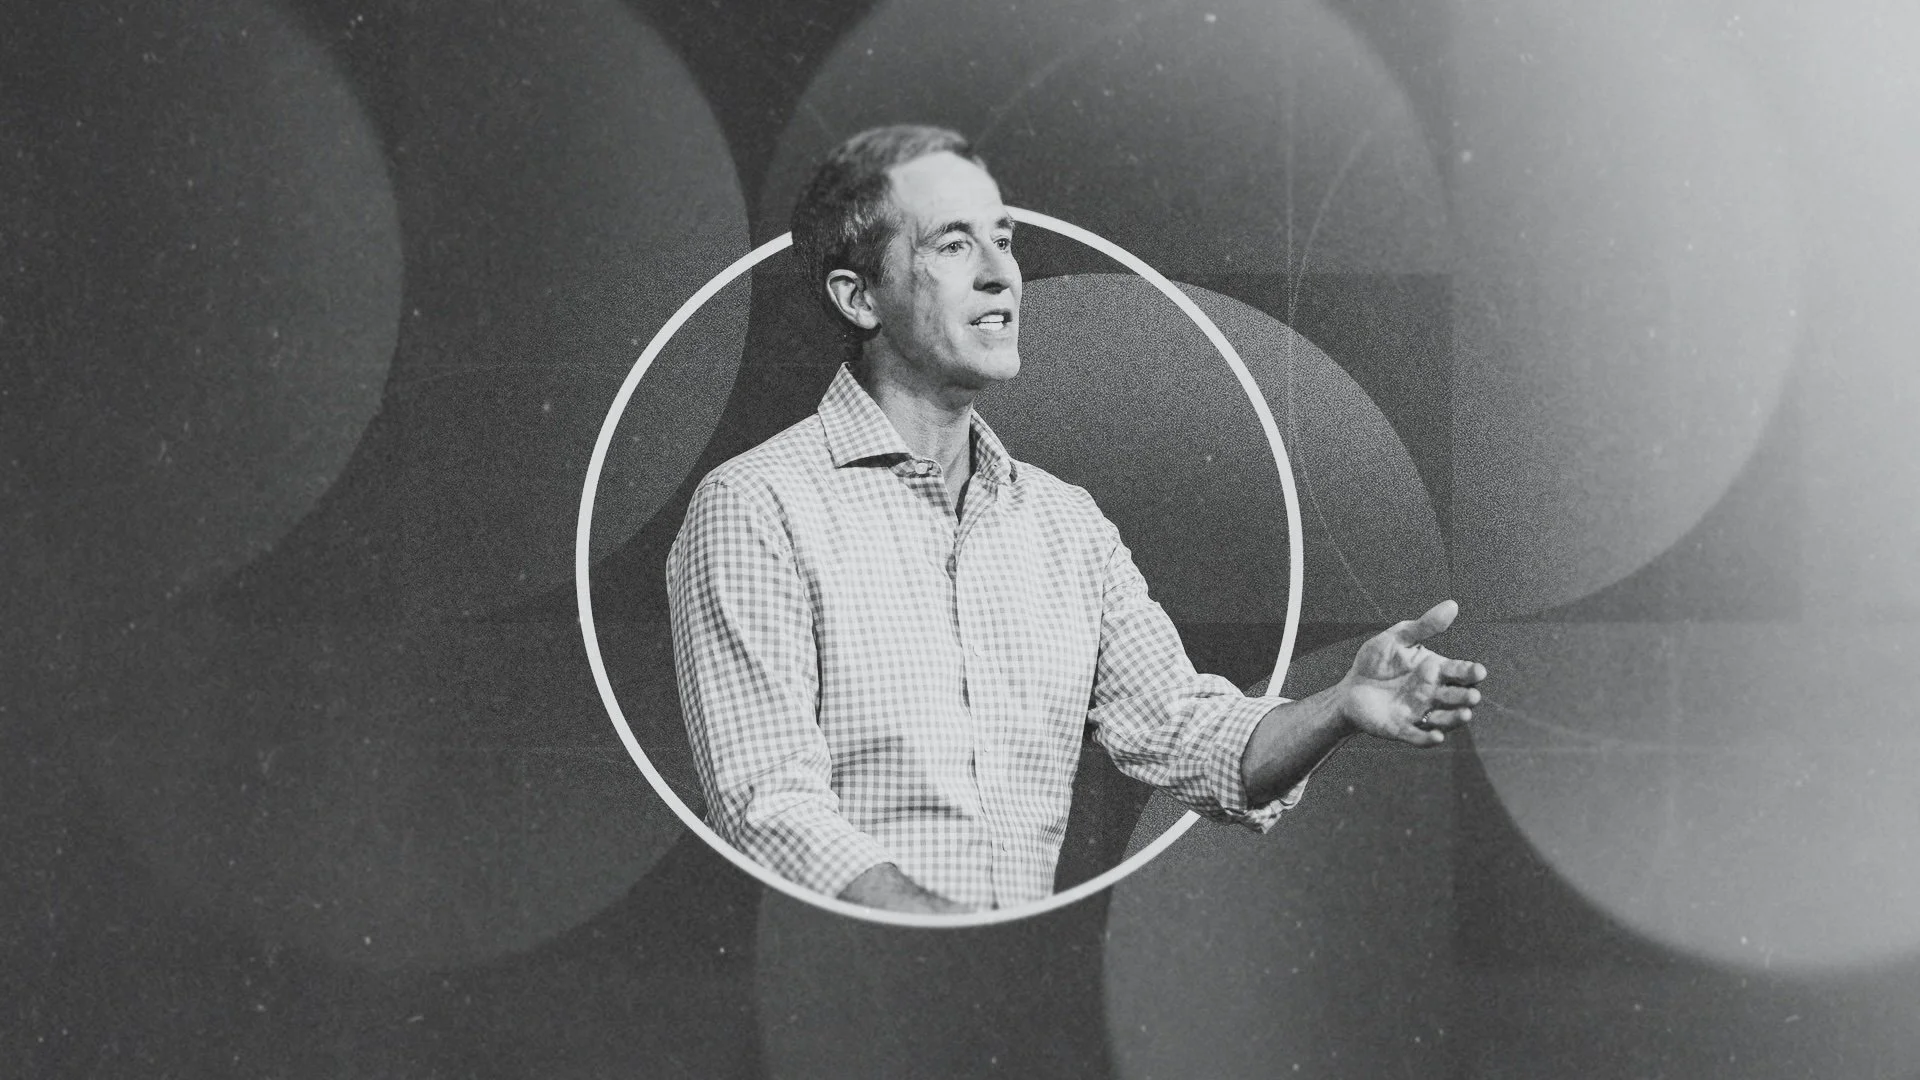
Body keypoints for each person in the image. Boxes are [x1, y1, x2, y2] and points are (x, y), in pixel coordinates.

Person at [666, 124, 1486, 914]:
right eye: (952, 245)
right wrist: (957, 948)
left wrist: (1337, 707)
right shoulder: (755, 506)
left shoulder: (1066, 526)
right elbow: (767, 804)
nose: (1000, 274)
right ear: (859, 297)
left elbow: (1189, 732)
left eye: (1005, 239)